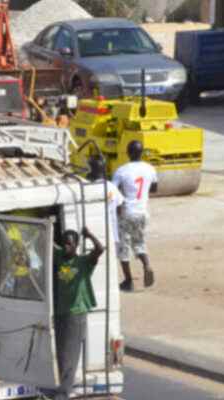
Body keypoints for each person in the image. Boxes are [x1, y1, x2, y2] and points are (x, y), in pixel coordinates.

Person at [53, 227, 104, 400]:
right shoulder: (59, 256)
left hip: (76, 313)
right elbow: (47, 243)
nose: (66, 247)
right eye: (64, 244)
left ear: (76, 245)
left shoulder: (83, 262)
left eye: (70, 244)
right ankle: (61, 387)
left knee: (70, 354)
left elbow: (100, 249)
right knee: (61, 353)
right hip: (61, 312)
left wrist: (90, 235)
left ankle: (63, 393)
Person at [111, 140, 157, 291]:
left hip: (126, 213)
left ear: (128, 152)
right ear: (141, 152)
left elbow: (112, 192)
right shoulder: (150, 169)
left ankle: (128, 281)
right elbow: (155, 188)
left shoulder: (121, 171)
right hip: (142, 213)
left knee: (124, 248)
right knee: (139, 242)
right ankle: (147, 264)